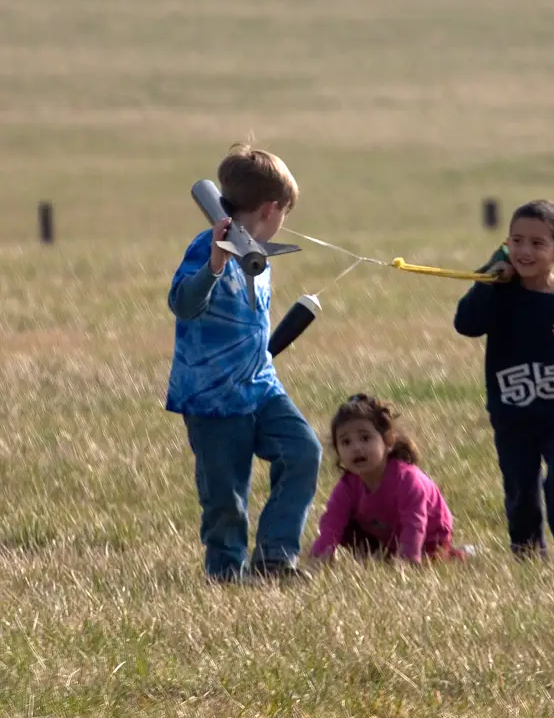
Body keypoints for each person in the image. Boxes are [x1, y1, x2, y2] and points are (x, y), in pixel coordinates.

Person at [166, 143, 322, 582]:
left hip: (260, 386)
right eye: (285, 213)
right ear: (272, 209)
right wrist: (215, 265)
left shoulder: (259, 252)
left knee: (302, 450)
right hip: (212, 398)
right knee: (225, 498)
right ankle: (225, 573)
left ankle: (274, 556)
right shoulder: (206, 246)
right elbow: (182, 303)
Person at [454, 200, 554, 568]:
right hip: (512, 412)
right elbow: (467, 324)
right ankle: (526, 552)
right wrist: (491, 275)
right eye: (516, 241)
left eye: (537, 244)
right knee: (521, 486)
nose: (525, 251)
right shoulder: (499, 291)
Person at [310, 393, 471, 564]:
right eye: (346, 442)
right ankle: (377, 558)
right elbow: (331, 523)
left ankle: (458, 554)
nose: (356, 448)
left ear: (388, 441)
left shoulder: (407, 479)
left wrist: (407, 562)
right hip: (387, 536)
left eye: (365, 438)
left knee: (431, 558)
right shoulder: (348, 485)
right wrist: (318, 558)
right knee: (344, 525)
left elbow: (414, 523)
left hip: (430, 536)